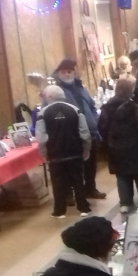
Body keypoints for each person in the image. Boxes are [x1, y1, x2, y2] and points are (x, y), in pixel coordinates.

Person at [99, 76, 138, 214]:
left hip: (116, 147)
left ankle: (125, 203)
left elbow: (102, 126)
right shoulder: (135, 107)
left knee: (122, 175)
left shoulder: (107, 107)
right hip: (136, 146)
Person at [52, 59, 106, 200]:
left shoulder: (81, 88)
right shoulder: (56, 92)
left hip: (90, 132)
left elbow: (92, 106)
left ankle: (90, 189)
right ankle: (70, 193)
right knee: (73, 166)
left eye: (69, 71)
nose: (67, 74)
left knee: (91, 164)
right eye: (63, 72)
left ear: (74, 73)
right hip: (72, 135)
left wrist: (93, 120)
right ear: (58, 74)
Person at [36, 85, 92, 219]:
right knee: (78, 180)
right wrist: (86, 148)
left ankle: (59, 211)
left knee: (57, 183)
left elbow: (41, 137)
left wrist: (44, 153)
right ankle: (84, 208)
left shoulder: (43, 113)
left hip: (55, 155)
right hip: (74, 153)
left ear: (49, 97)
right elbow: (85, 133)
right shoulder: (75, 110)